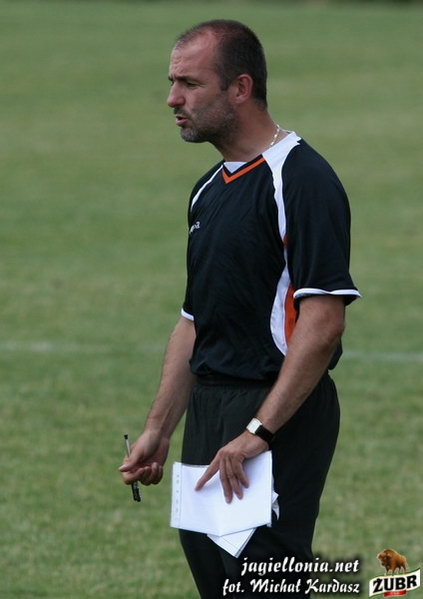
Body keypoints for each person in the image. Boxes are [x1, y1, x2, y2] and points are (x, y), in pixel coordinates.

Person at [119, 19, 360, 598]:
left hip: (274, 412)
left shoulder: (301, 180)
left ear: (241, 88)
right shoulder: (208, 189)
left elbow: (323, 322)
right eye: (172, 82)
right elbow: (194, 320)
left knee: (265, 581)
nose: (172, 99)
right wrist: (159, 428)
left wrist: (259, 432)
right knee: (216, 578)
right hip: (210, 412)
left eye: (189, 83)